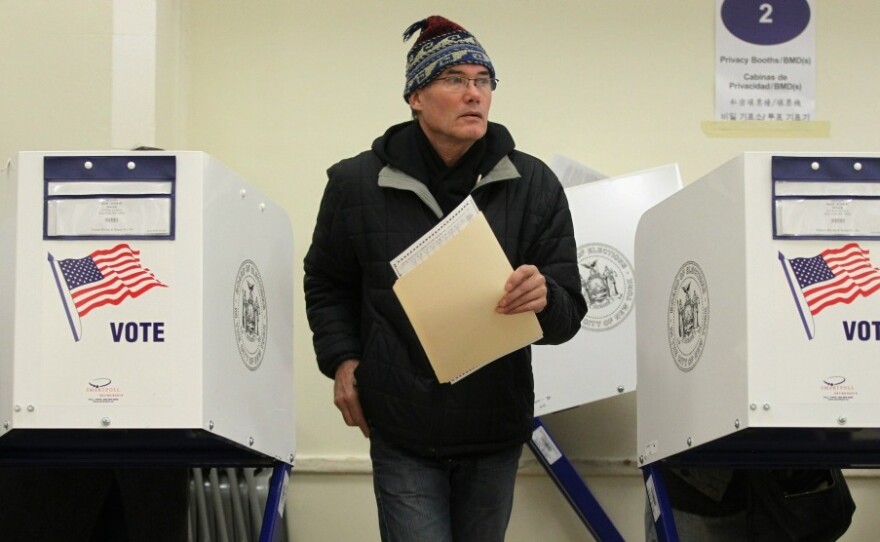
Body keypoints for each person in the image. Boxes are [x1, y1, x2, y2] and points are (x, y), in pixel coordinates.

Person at [303, 15, 587, 542]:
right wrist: (342, 359)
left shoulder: (533, 185)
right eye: (454, 79)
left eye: (483, 81)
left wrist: (545, 297)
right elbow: (326, 282)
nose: (473, 94)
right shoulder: (355, 183)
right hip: (400, 427)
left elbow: (568, 312)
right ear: (415, 96)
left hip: (494, 426)